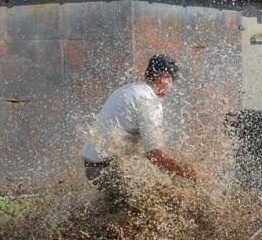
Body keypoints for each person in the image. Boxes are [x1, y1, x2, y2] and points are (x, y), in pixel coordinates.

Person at [80, 53, 202, 193]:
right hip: (106, 170)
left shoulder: (130, 89)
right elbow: (155, 154)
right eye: (171, 80)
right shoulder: (149, 101)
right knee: (164, 197)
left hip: (92, 166)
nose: (171, 86)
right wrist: (192, 174)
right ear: (163, 77)